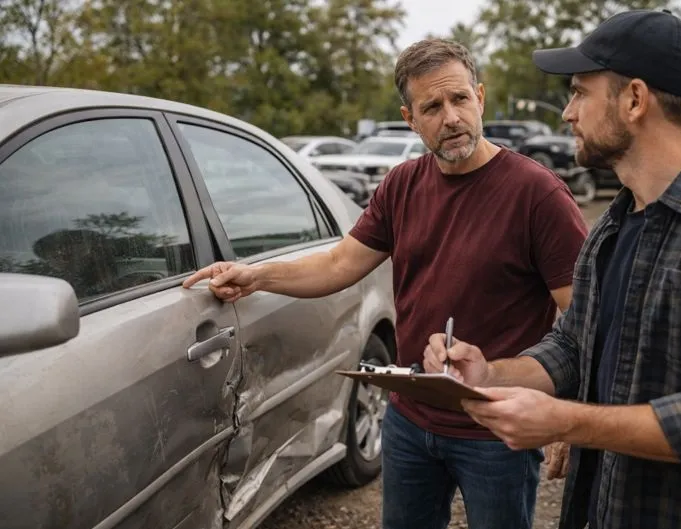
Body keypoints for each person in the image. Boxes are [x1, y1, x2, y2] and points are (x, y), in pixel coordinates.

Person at [182, 39, 589, 529]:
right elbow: (339, 264)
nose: (451, 117)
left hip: (496, 428)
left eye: (460, 99)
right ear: (410, 118)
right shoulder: (401, 186)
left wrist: (569, 409)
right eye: (432, 107)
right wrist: (255, 275)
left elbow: (586, 316)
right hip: (411, 422)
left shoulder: (537, 194)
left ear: (480, 98)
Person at [423, 9, 681, 529]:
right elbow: (574, 347)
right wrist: (489, 373)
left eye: (579, 92)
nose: (567, 113)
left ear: (635, 100)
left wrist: (569, 422)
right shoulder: (614, 222)